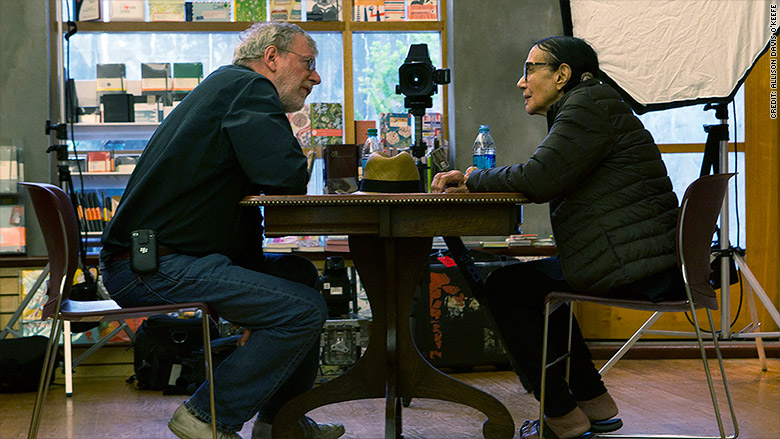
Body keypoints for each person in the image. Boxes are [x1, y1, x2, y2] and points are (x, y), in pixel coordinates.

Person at [100, 22, 345, 439]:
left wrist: (257, 301)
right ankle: (207, 415)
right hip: (154, 266)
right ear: (271, 57)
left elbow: (237, 212)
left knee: (298, 276)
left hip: (165, 257)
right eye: (307, 63)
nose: (315, 77)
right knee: (302, 311)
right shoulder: (248, 89)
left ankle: (280, 424)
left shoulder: (227, 88)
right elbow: (285, 176)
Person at [431, 36, 683, 439]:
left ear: (562, 75)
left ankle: (562, 417)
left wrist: (475, 177)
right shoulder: (594, 104)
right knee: (536, 285)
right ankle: (593, 404)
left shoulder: (587, 107)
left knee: (506, 286)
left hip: (636, 265)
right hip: (645, 259)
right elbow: (542, 173)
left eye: (530, 69)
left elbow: (537, 178)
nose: (521, 81)